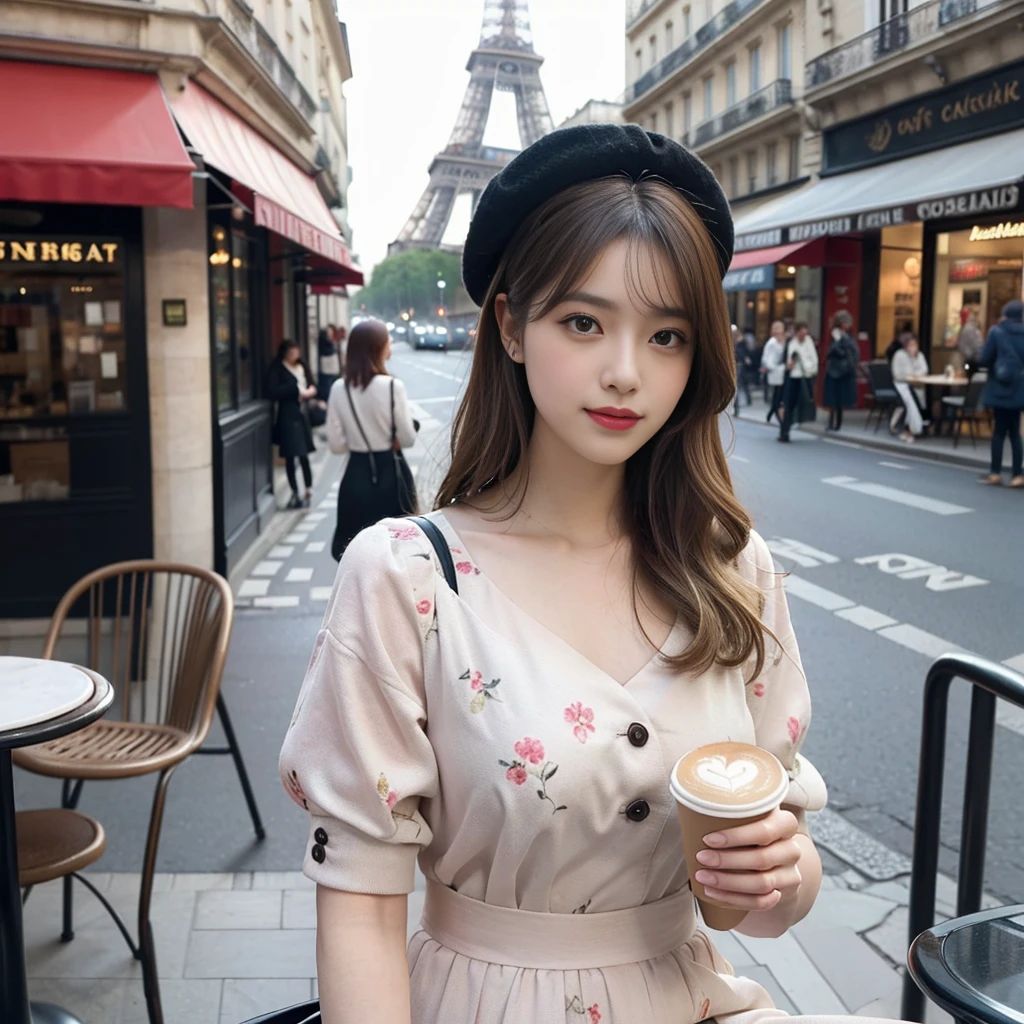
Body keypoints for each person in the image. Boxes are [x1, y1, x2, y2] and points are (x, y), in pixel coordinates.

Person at [278, 123, 889, 1024]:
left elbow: (747, 910)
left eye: (668, 335)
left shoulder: (736, 570)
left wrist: (785, 873)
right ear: (512, 327)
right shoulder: (409, 578)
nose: (624, 372)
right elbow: (362, 902)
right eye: (583, 321)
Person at [326, 318, 418, 560]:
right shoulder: (391, 386)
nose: (390, 345)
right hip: (392, 471)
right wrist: (391, 439)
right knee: (397, 550)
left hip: (356, 474)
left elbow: (336, 445)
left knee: (357, 552)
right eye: (388, 341)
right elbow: (408, 438)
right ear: (377, 348)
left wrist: (356, 441)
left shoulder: (338, 388)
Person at [977, 298, 1024, 487]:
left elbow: (984, 359)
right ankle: (1017, 474)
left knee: (998, 433)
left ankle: (995, 473)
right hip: (1020, 388)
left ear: (1006, 314)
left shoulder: (996, 332)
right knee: (1015, 433)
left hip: (1000, 387)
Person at [267, 340, 316, 508]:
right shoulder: (278, 369)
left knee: (304, 455)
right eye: (291, 352)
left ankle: (308, 489)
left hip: (302, 415)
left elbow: (311, 383)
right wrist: (295, 390)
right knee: (290, 455)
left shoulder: (302, 367)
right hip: (287, 415)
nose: (295, 355)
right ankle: (295, 491)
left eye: (296, 351)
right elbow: (273, 391)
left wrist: (310, 392)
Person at [778, 321, 819, 442]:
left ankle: (793, 424)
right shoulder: (791, 343)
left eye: (805, 330)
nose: (804, 333)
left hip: (805, 377)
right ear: (797, 332)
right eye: (802, 331)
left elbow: (814, 359)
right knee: (789, 405)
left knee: (804, 402)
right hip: (793, 377)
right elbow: (786, 362)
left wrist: (810, 371)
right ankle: (785, 431)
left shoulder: (809, 342)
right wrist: (790, 364)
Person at [823, 312, 860, 432]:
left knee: (838, 398)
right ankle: (832, 423)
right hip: (836, 369)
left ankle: (836, 423)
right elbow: (834, 351)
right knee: (834, 398)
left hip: (842, 370)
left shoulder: (846, 335)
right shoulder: (836, 335)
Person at [890, 333, 929, 443]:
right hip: (901, 384)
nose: (913, 347)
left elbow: (924, 370)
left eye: (915, 344)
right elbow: (899, 375)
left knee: (919, 391)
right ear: (905, 346)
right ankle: (913, 428)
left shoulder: (920, 355)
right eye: (910, 344)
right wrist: (914, 374)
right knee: (910, 399)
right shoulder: (900, 355)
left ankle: (913, 428)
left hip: (916, 384)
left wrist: (914, 374)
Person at [760, 320, 787, 424]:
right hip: (775, 371)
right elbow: (766, 358)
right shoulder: (771, 342)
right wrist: (773, 367)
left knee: (778, 394)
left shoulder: (783, 341)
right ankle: (775, 413)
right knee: (777, 394)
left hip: (781, 371)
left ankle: (772, 412)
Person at [732, 324, 753, 415]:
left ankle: (738, 407)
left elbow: (745, 352)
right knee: (739, 385)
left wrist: (746, 358)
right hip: (734, 365)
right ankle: (736, 408)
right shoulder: (732, 342)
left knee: (740, 385)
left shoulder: (742, 342)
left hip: (740, 365)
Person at [317, 325, 342, 401]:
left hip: (333, 368)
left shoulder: (334, 343)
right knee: (327, 386)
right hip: (327, 368)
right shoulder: (326, 342)